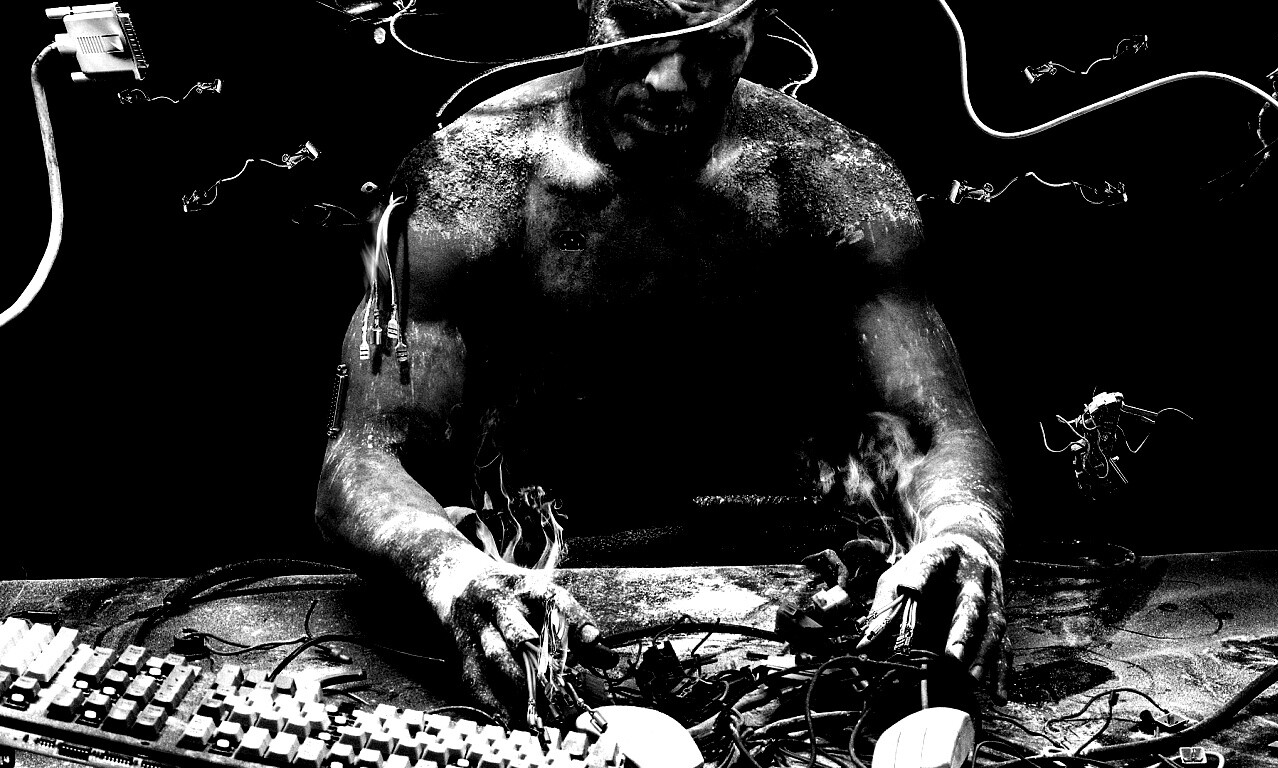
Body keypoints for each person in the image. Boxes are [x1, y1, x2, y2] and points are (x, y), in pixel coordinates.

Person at [315, 0, 1011, 722]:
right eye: (641, 26)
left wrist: (961, 532)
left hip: (795, 612)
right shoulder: (467, 179)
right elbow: (362, 458)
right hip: (537, 604)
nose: (671, 81)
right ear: (586, 2)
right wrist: (452, 571)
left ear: (757, 29)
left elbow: (936, 430)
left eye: (712, 45)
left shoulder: (834, 180)